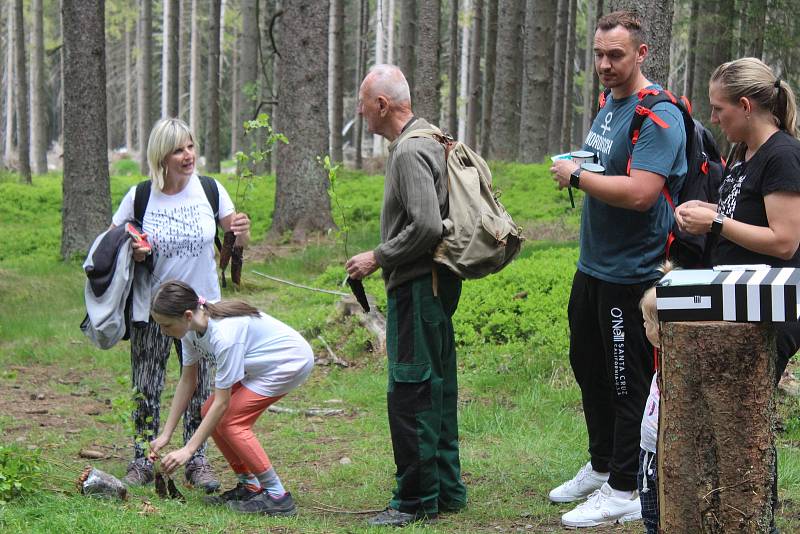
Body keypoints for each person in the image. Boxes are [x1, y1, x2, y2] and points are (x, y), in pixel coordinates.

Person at [548, 10, 687, 528]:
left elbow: (641, 192)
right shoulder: (610, 102)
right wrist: (583, 162)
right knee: (588, 367)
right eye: (599, 55)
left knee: (629, 382)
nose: (605, 65)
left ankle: (627, 489)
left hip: (634, 273)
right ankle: (604, 464)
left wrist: (577, 175)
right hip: (594, 266)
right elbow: (610, 164)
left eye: (616, 56)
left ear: (642, 54)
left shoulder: (660, 115)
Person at [675, 57, 800, 533]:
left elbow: (785, 240)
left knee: (744, 427)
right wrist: (709, 210)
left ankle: (752, 520)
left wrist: (718, 222)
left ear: (746, 106)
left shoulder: (782, 155)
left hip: (769, 312)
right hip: (732, 304)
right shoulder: (742, 153)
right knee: (717, 423)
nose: (714, 118)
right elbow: (744, 213)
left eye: (719, 108)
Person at [345, 64, 465, 527]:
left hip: (417, 290)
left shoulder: (410, 151)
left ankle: (414, 499)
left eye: (363, 102)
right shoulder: (431, 137)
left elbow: (427, 226)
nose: (360, 111)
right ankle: (447, 490)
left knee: (412, 393)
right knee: (437, 388)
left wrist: (377, 256)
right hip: (433, 287)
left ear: (382, 105)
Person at [110, 117, 251, 491]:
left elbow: (234, 238)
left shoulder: (210, 189)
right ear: (161, 156)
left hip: (203, 312)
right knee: (147, 384)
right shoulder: (140, 196)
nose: (188, 155)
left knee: (203, 387)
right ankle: (142, 457)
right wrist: (134, 251)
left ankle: (197, 460)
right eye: (178, 149)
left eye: (190, 146)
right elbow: (113, 243)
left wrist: (242, 233)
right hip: (153, 311)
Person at [147, 280, 314, 516]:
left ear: (186, 315)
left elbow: (222, 403)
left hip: (287, 362)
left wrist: (188, 450)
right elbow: (188, 381)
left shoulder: (223, 336)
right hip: (258, 365)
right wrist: (166, 434)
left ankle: (277, 497)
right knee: (207, 412)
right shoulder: (190, 329)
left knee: (231, 420)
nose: (163, 332)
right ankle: (250, 485)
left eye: (166, 326)